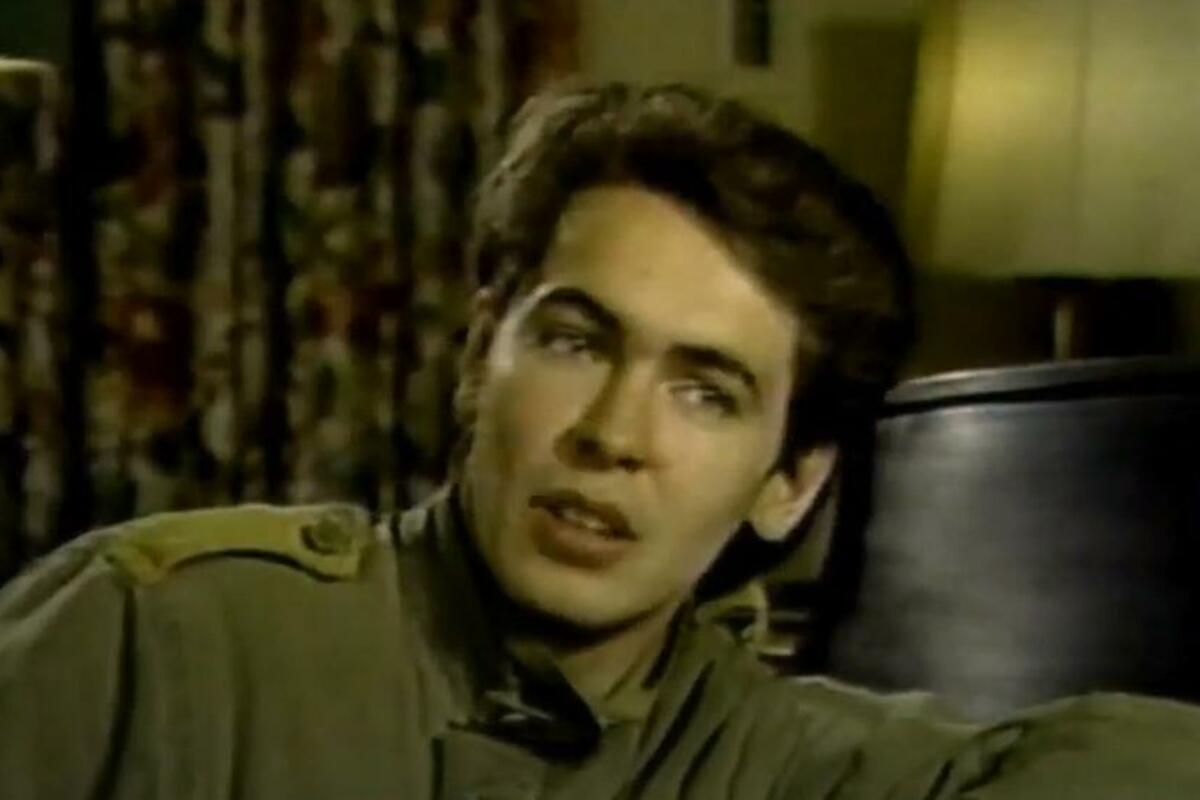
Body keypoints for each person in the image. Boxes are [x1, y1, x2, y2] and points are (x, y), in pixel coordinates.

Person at [2, 83, 1198, 800]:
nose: (615, 434)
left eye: (707, 392)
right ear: (482, 352)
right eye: (577, 342)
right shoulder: (172, 633)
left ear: (791, 482)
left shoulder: (779, 757)